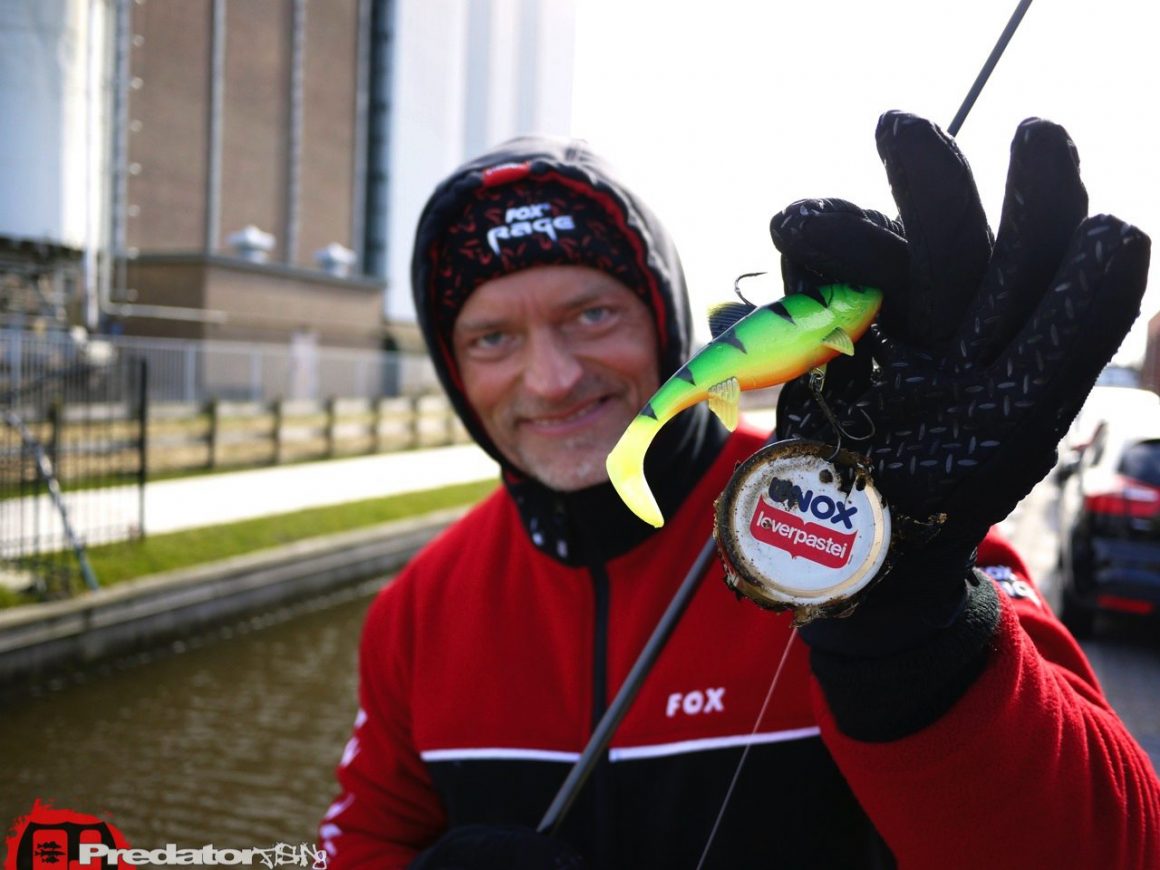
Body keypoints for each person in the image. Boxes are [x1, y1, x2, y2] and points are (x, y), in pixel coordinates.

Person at [319, 112, 1160, 868]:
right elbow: (359, 843)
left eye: (592, 315)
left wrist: (914, 641)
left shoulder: (880, 515)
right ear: (453, 367)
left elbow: (1121, 849)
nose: (551, 378)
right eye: (493, 336)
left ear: (665, 322)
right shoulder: (415, 613)